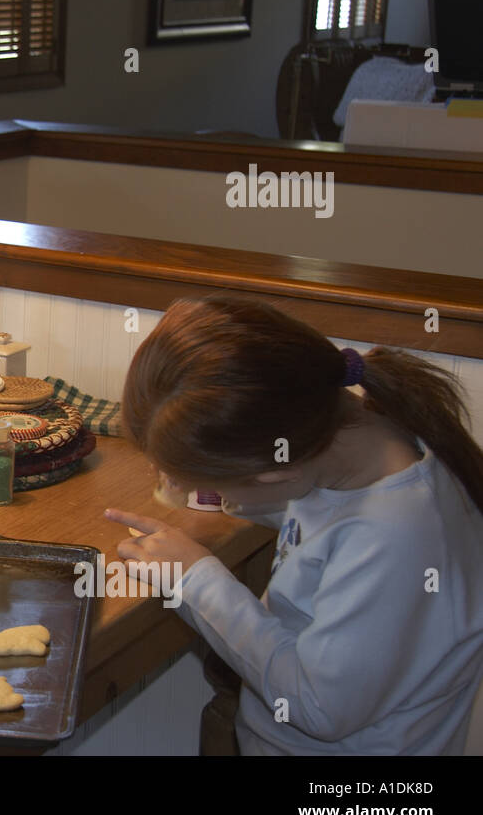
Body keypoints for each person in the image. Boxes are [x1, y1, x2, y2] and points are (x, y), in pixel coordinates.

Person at [105, 296, 483, 755]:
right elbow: (322, 524)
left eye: (206, 485)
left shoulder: (398, 538)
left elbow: (317, 707)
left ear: (276, 471)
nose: (184, 493)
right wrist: (226, 488)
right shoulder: (362, 443)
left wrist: (195, 580)